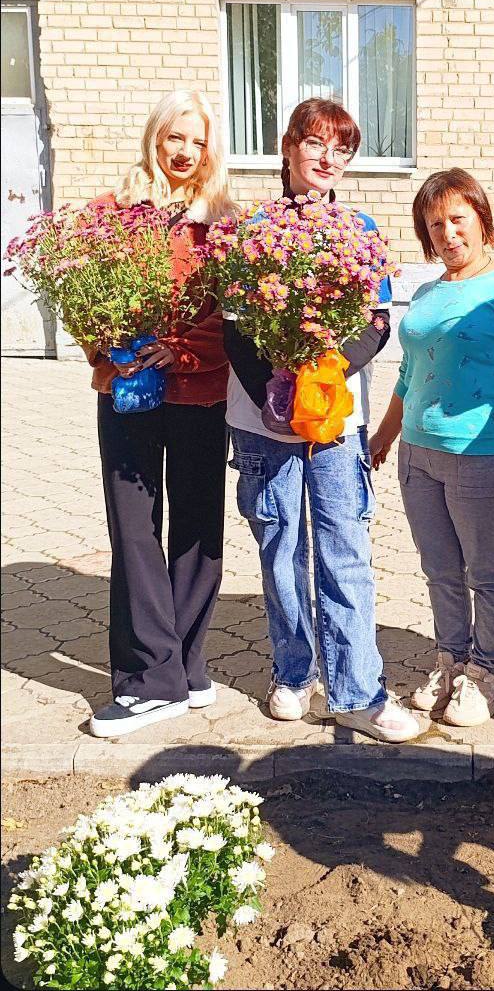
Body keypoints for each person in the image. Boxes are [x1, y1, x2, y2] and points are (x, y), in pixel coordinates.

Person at [224, 98, 420, 743]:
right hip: (264, 422)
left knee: (344, 551)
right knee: (281, 547)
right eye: (316, 144)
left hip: (336, 421)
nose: (327, 160)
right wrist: (275, 397)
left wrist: (326, 372)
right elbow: (234, 329)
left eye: (341, 150)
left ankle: (359, 692)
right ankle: (292, 673)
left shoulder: (358, 230)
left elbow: (378, 321)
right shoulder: (253, 229)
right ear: (287, 147)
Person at [370, 168, 494, 728]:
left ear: (481, 221)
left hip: (483, 454)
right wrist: (383, 436)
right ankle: (450, 659)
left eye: (457, 220)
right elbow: (407, 373)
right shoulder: (426, 293)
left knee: (485, 570)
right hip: (417, 454)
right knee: (440, 569)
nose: (447, 234)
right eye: (434, 224)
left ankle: (486, 673)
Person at [86, 90, 235, 737]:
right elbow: (80, 289)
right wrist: (106, 346)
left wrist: (178, 348)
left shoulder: (223, 223)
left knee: (198, 527)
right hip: (127, 395)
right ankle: (155, 677)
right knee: (134, 529)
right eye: (175, 137)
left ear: (210, 151)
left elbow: (235, 322)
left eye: (196, 140)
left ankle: (183, 665)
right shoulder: (113, 213)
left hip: (199, 393)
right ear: (155, 138)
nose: (183, 151)